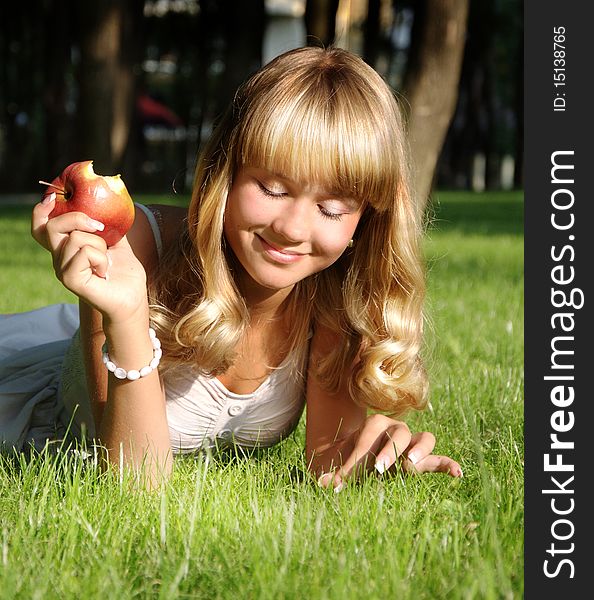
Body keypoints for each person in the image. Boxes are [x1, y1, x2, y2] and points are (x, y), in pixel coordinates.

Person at [1, 46, 461, 489]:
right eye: (272, 188)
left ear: (366, 218)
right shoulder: (137, 248)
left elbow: (327, 461)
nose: (292, 228)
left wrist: (373, 456)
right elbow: (134, 483)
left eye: (333, 208)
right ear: (228, 169)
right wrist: (126, 317)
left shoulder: (333, 289)